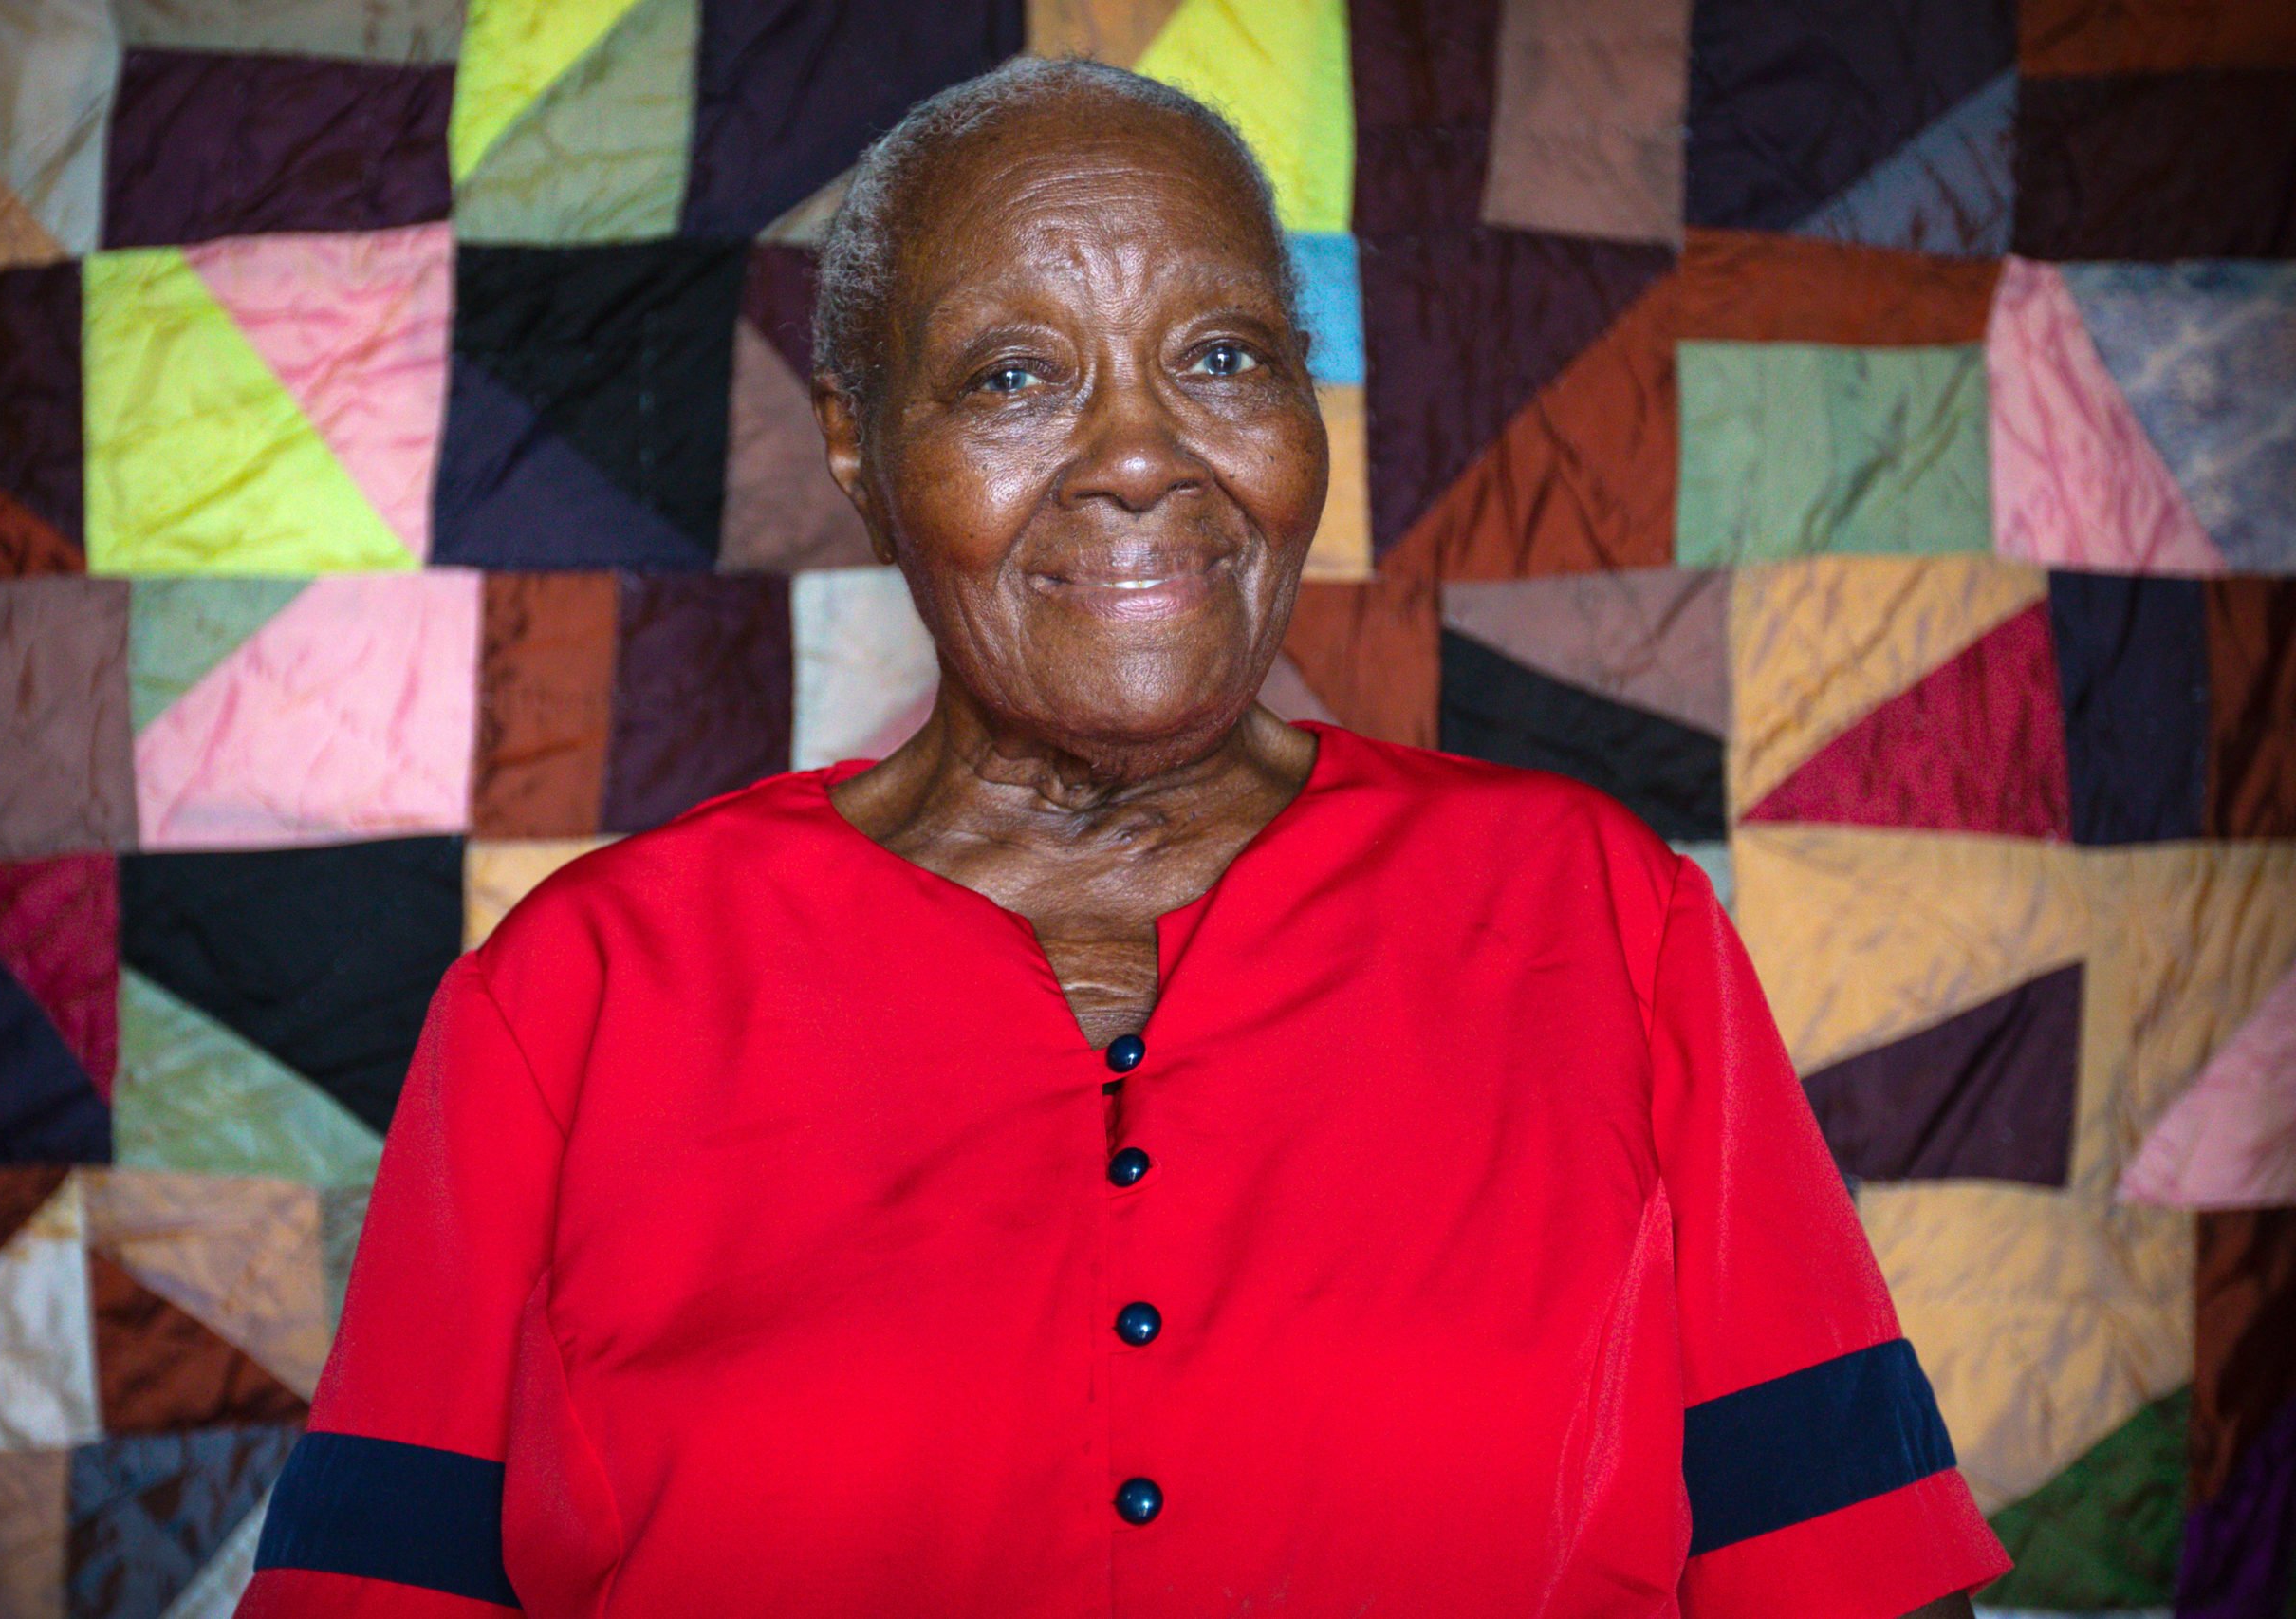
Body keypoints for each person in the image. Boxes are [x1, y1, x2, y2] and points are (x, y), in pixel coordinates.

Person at [235, 58, 2009, 1617]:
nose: (1142, 457)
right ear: (860, 444)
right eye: (1014, 378)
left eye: (1223, 355)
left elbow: (1847, 1572)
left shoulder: (1593, 919)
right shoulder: (580, 1000)